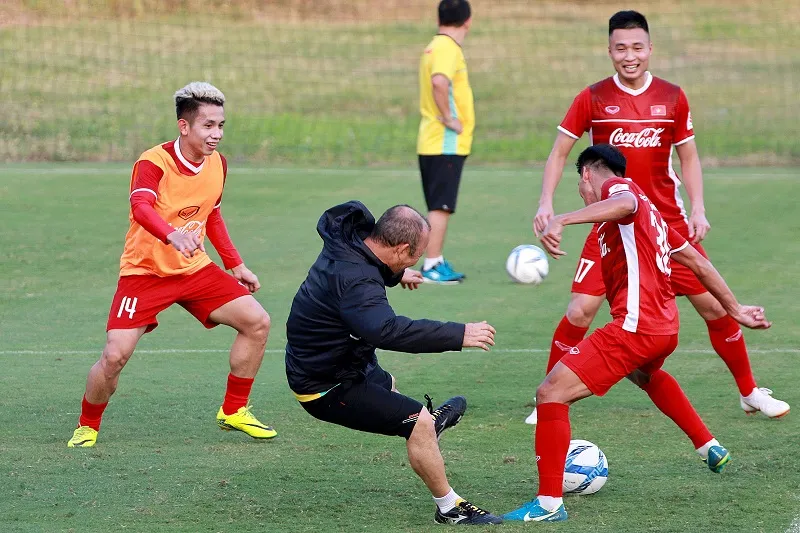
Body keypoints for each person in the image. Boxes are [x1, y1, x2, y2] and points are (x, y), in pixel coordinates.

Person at [525, 10, 787, 425]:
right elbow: (560, 151)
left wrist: (698, 207)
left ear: (650, 49)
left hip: (667, 226)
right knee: (579, 312)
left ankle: (749, 392)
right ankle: (548, 399)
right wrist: (545, 202)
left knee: (716, 309)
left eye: (637, 47)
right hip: (612, 227)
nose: (629, 56)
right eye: (620, 48)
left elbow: (689, 156)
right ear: (609, 50)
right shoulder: (592, 97)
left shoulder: (673, 97)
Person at [504, 145, 772, 522]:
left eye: (579, 185)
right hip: (664, 327)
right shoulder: (655, 218)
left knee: (550, 393)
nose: (581, 193)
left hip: (636, 327)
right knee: (643, 373)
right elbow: (697, 261)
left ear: (586, 176)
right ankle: (707, 445)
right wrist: (735, 308)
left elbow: (624, 200)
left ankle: (548, 505)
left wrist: (562, 219)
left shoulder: (621, 191)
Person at [68, 82, 276, 448]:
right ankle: (88, 424)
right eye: (208, 126)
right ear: (184, 126)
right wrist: (171, 236)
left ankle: (233, 410)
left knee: (257, 322)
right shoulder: (153, 162)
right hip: (144, 273)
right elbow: (141, 208)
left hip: (194, 270)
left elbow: (211, 214)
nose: (217, 135)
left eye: (221, 125)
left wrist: (236, 265)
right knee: (114, 356)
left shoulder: (218, 165)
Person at [285, 201, 502, 525]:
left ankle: (428, 429)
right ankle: (449, 509)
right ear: (401, 248)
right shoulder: (357, 283)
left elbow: (366, 272)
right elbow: (387, 331)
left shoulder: (348, 241)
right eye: (418, 253)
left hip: (342, 360)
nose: (420, 258)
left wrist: (397, 274)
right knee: (416, 422)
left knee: (390, 389)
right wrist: (459, 334)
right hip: (324, 385)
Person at [416, 0, 474, 284]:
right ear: (468, 20)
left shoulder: (433, 46)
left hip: (432, 140)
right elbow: (440, 82)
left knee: (438, 205)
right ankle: (431, 265)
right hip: (444, 142)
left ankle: (434, 260)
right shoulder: (447, 48)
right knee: (441, 206)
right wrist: (450, 118)